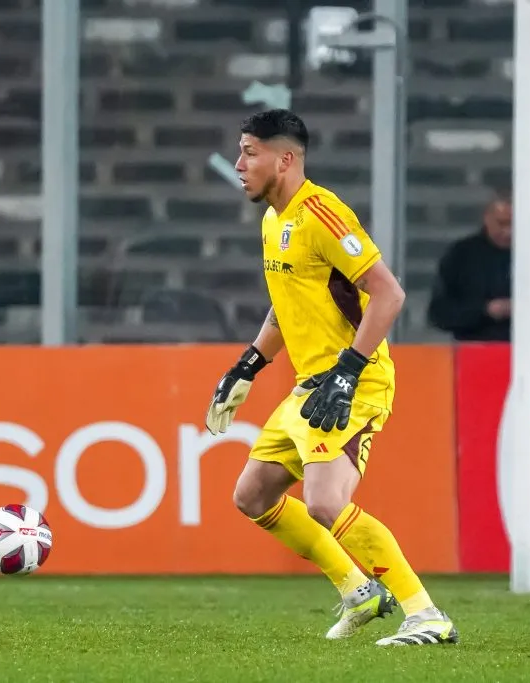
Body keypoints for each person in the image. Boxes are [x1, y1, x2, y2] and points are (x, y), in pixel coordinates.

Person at [204, 109, 457, 647]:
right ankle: (357, 590)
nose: (239, 164)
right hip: (312, 382)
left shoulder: (322, 213)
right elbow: (285, 307)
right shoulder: (274, 221)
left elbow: (389, 294)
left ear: (285, 159)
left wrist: (348, 371)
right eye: (241, 151)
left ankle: (426, 614)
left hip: (354, 379)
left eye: (250, 152)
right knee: (252, 495)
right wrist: (248, 364)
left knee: (324, 502)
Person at [427, 189, 513, 341]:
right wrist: (485, 310)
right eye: (502, 223)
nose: (508, 232)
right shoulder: (462, 255)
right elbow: (439, 313)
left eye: (513, 224)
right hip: (474, 351)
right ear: (487, 218)